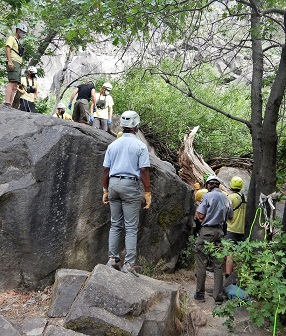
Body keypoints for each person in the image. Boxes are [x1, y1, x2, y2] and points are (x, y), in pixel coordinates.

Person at [102, 110, 151, 276]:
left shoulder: (112, 145)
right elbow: (144, 170)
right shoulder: (140, 146)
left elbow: (105, 170)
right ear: (136, 126)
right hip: (130, 185)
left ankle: (112, 259)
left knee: (115, 224)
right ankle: (129, 264)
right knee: (130, 227)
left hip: (113, 184)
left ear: (122, 126)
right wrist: (147, 192)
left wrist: (105, 189)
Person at [194, 175, 233, 305]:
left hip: (207, 231)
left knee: (201, 262)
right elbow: (231, 217)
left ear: (208, 185)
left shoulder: (207, 196)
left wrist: (204, 218)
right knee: (218, 265)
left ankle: (200, 294)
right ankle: (218, 297)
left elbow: (200, 214)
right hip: (221, 232)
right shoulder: (227, 198)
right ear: (218, 184)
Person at [225, 176, 246, 278]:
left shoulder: (230, 197)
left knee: (230, 252)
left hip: (231, 228)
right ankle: (236, 276)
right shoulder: (245, 198)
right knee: (238, 253)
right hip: (242, 230)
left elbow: (226, 212)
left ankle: (228, 274)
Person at [4, 23, 28, 107]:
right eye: (23, 32)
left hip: (18, 63)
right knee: (11, 82)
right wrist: (9, 61)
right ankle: (7, 102)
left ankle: (10, 103)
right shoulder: (11, 38)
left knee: (15, 84)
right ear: (18, 30)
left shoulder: (18, 41)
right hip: (13, 61)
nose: (24, 34)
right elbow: (7, 48)